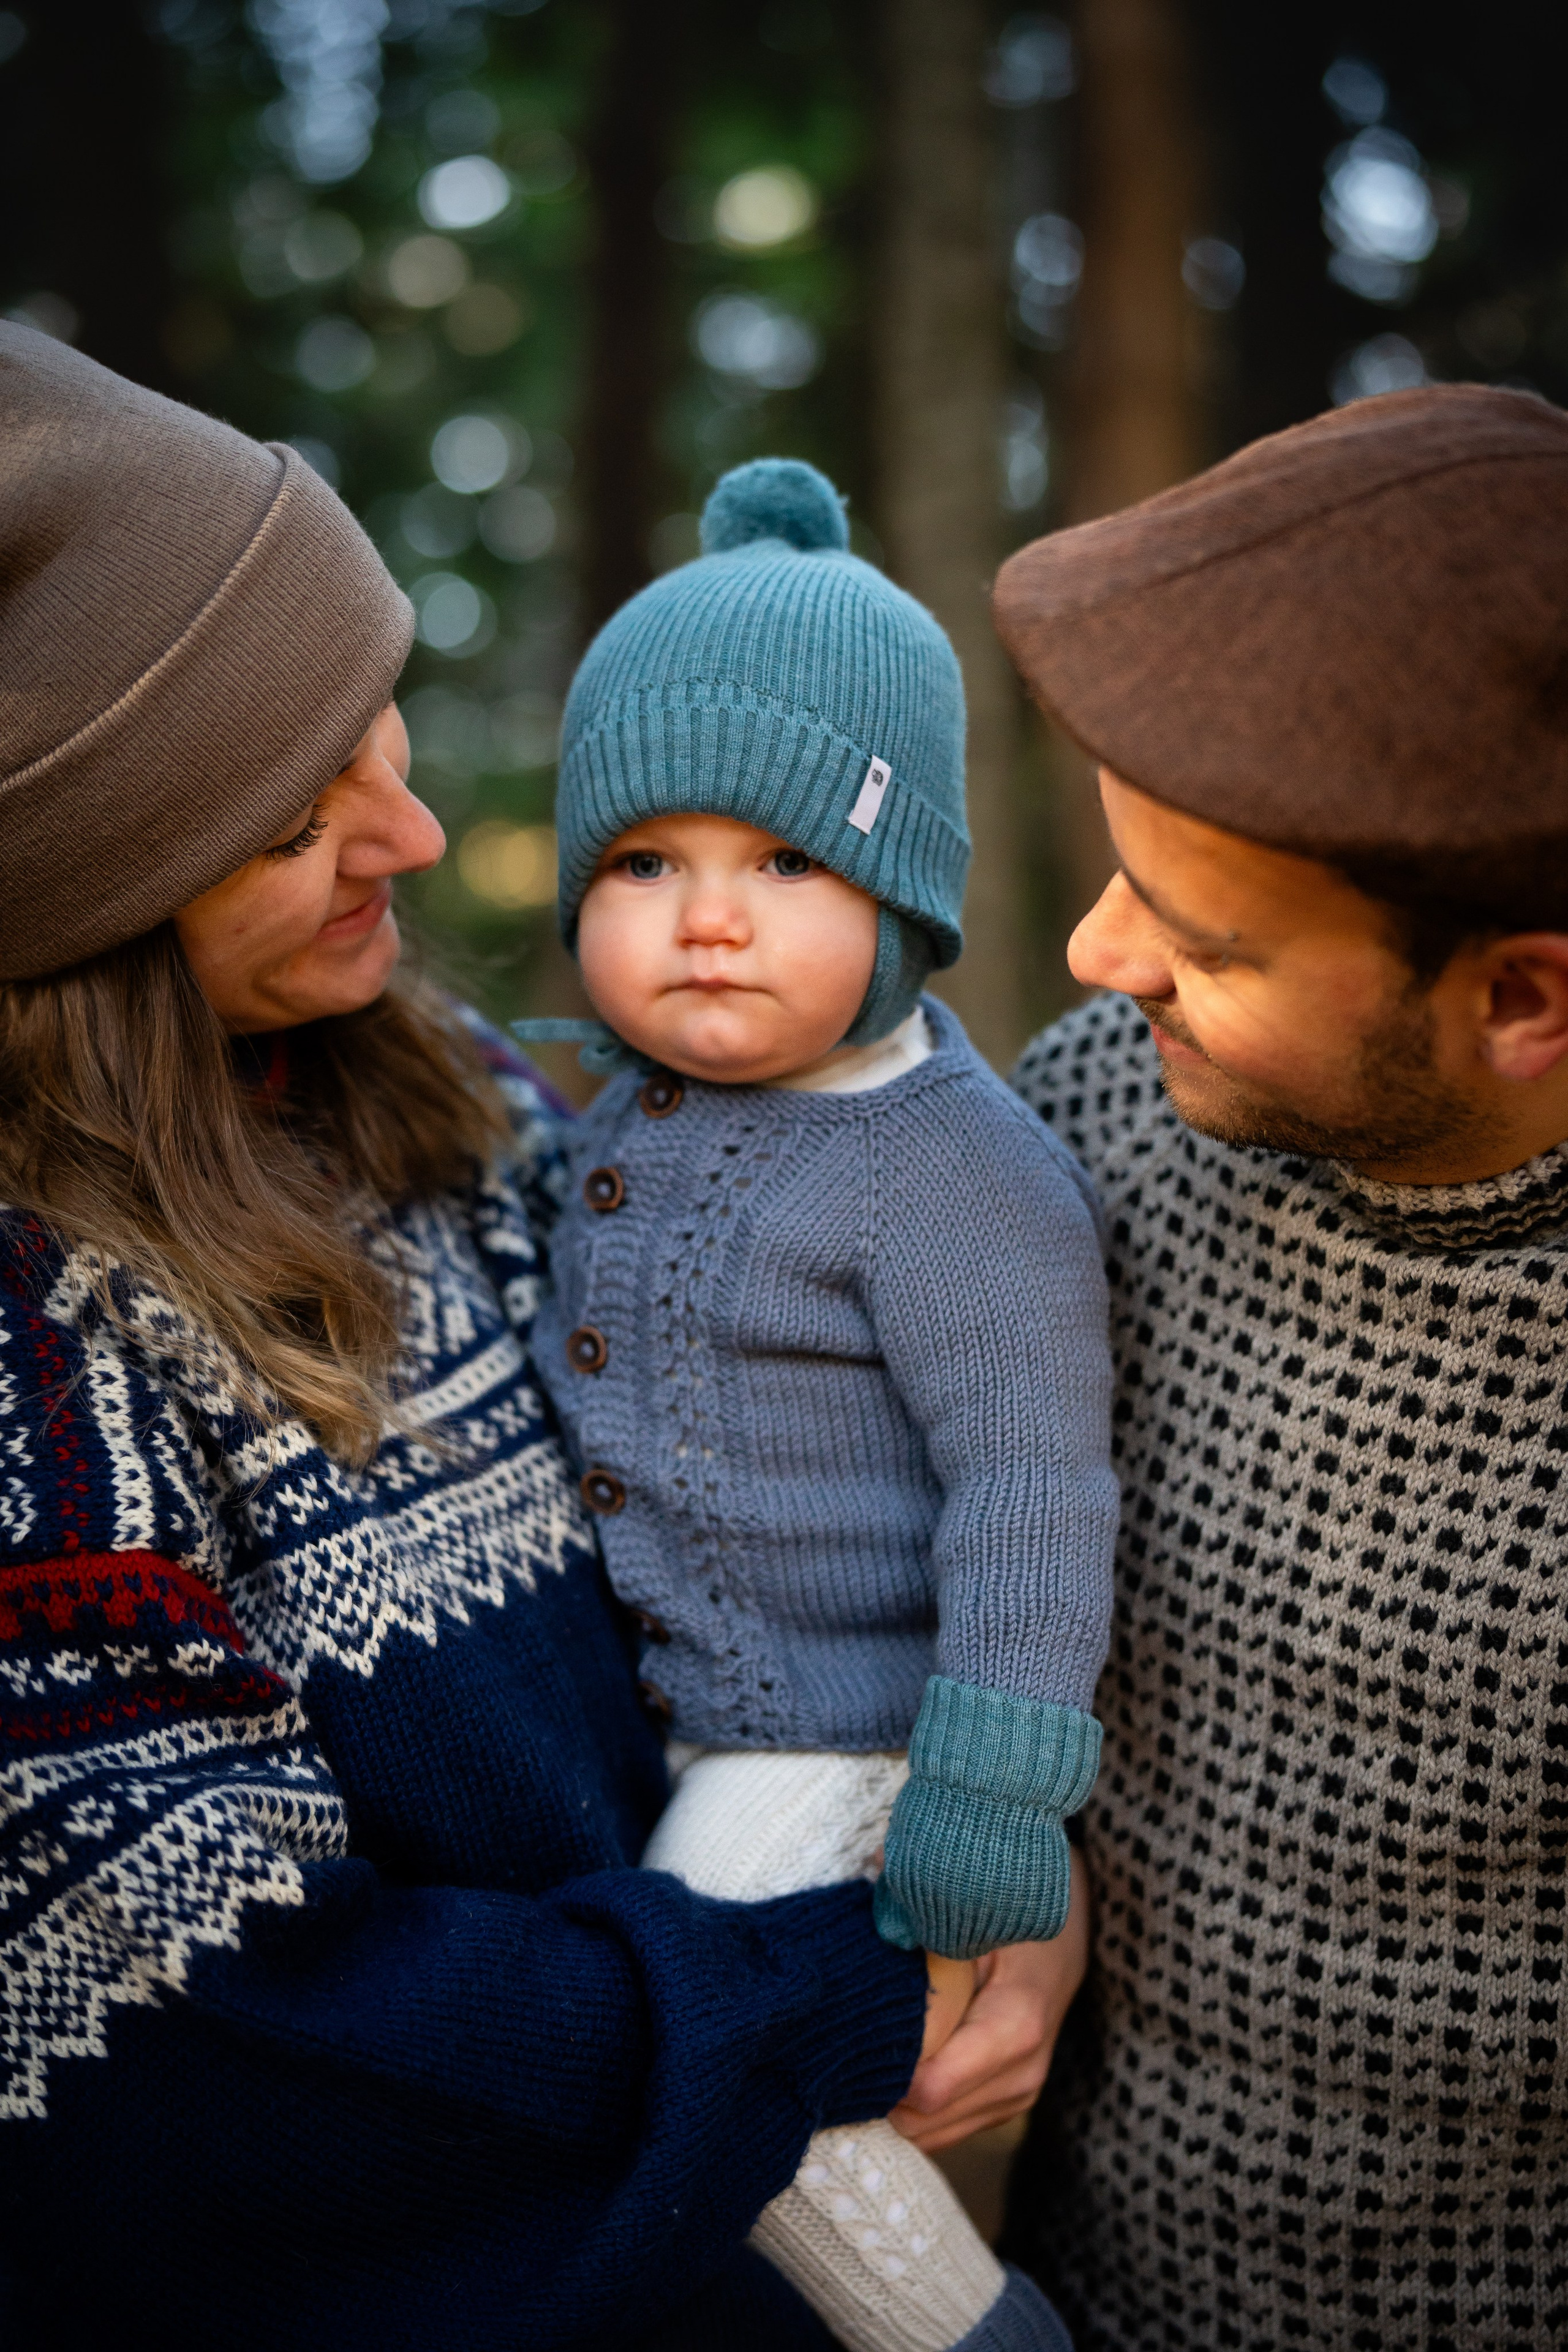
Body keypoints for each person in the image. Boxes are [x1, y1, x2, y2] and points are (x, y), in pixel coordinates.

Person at [0, 323, 1066, 2352]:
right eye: (294, 815)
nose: (409, 833)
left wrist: (995, 1819)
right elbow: (222, 2080)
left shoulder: (471, 1093)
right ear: (83, 894)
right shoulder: (35, 1378)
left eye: (376, 725)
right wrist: (848, 1991)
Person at [990, 383, 1568, 2351]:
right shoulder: (1094, 1111)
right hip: (1063, 2289)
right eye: (1118, 866)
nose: (1094, 954)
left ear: (1522, 997)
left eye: (1208, 939)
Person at [527, 457, 1115, 2352]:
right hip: (698, 1740)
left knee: (716, 2063)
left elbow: (1032, 1494)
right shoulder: (619, 1114)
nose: (709, 920)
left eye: (786, 863)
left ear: (906, 892)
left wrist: (993, 1810)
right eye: (645, 865)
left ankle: (973, 2336)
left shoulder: (953, 1171)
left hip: (858, 1745)